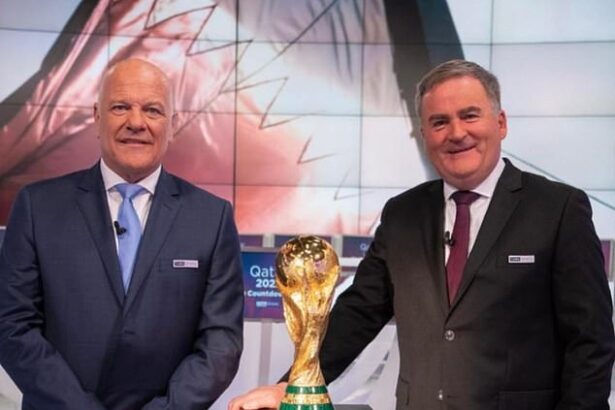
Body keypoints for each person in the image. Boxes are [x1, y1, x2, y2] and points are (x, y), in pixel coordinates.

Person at [228, 59, 615, 409]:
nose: (456, 133)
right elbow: (358, 313)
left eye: (470, 115)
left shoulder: (558, 209)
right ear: (424, 134)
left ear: (500, 123)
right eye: (439, 122)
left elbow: (591, 340)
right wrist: (291, 386)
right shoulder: (403, 214)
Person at [0, 58, 244, 409]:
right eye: (120, 107)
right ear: (96, 117)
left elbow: (221, 342)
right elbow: (13, 327)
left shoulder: (212, 217)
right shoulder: (38, 207)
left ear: (172, 125)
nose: (136, 122)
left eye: (152, 110)